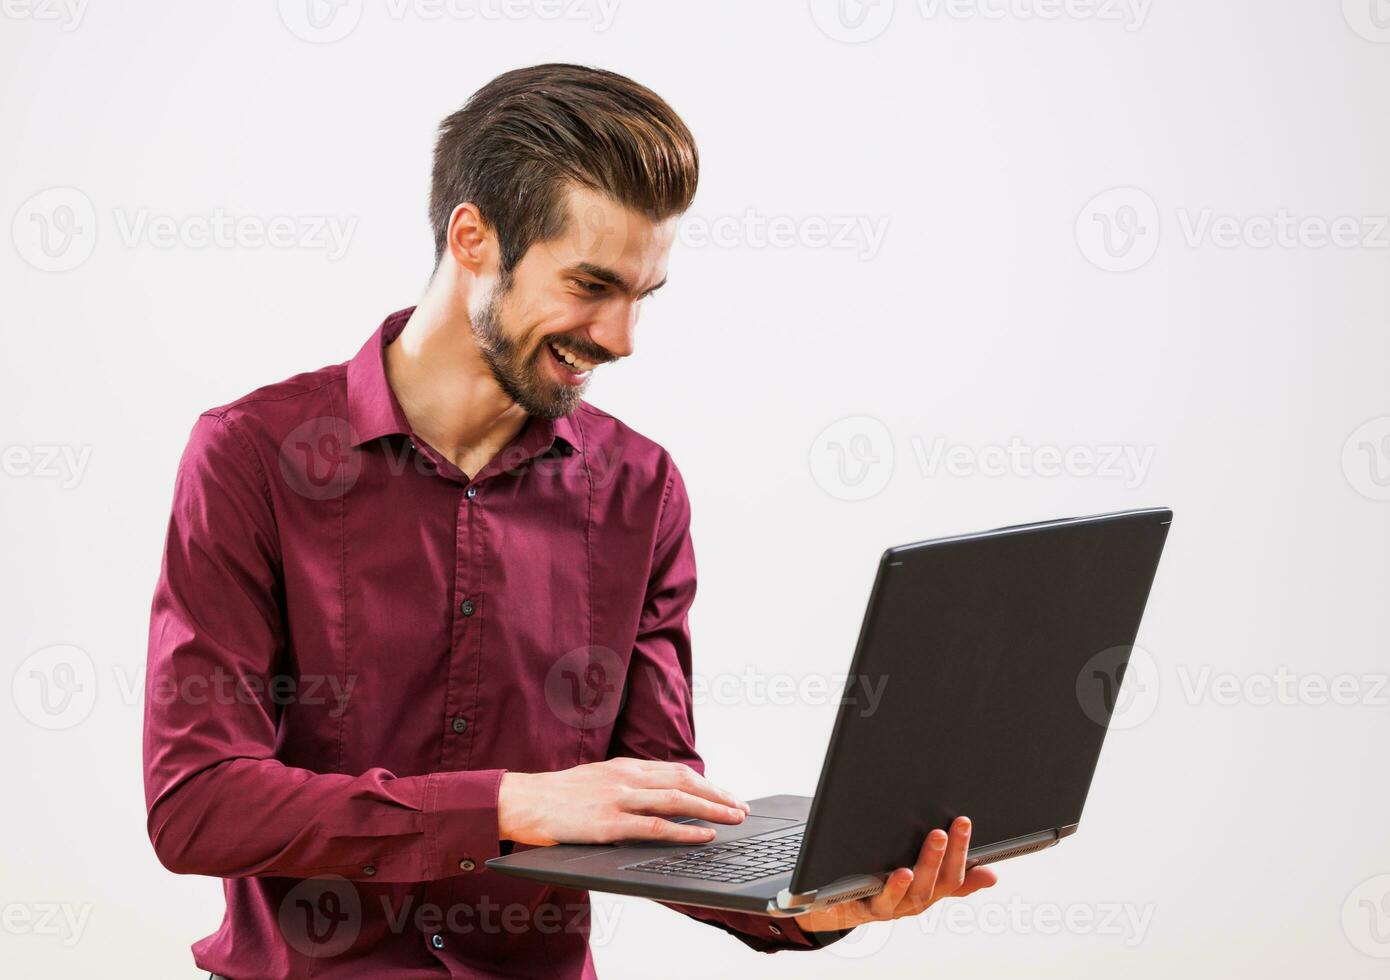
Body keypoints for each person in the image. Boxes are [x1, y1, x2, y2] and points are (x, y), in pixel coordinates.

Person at [142, 62, 997, 979]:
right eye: (591, 285)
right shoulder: (250, 458)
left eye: (642, 295)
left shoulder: (640, 490)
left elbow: (645, 810)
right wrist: (508, 804)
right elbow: (199, 805)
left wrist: (820, 899)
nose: (622, 339)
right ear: (472, 237)